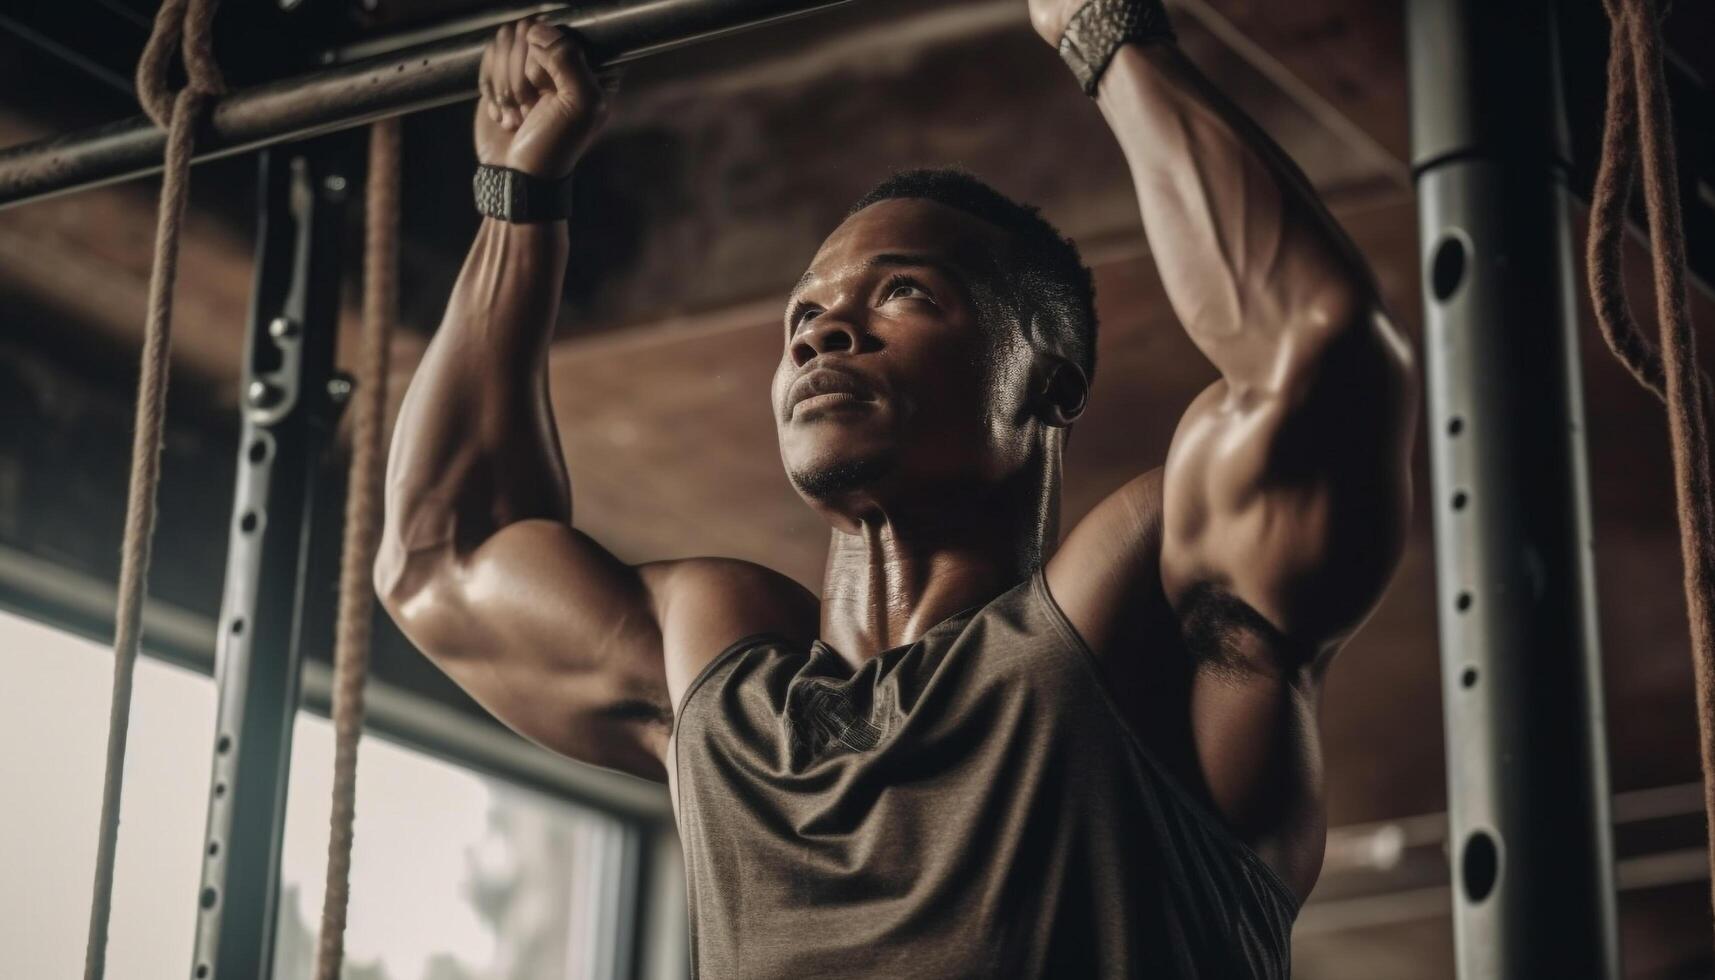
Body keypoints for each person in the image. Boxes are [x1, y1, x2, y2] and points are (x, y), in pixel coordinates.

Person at [375, 1, 1417, 975]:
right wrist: (519, 194)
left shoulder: (1130, 614)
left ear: (1050, 381)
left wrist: (1103, 30)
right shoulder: (723, 691)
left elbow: (1312, 356)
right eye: (804, 319)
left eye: (905, 293)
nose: (827, 328)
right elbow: (442, 557)